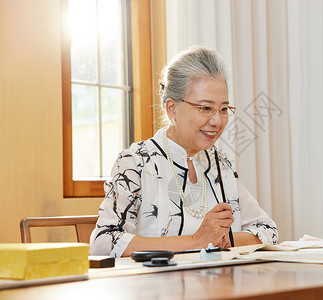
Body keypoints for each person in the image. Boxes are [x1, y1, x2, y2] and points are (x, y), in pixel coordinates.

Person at [90, 46, 278, 257]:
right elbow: (104, 242)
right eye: (205, 108)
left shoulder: (218, 162)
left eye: (224, 109)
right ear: (172, 109)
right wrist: (196, 241)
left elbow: (267, 230)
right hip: (156, 287)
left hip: (217, 286)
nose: (217, 121)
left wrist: (224, 240)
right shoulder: (137, 162)